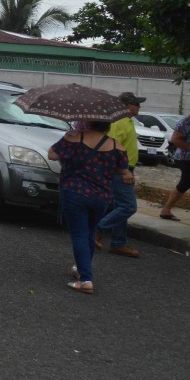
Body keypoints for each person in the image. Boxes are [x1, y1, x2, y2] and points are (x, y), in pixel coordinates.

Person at [48, 121, 130, 294]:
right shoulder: (117, 145)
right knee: (90, 232)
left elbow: (52, 155)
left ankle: (86, 280)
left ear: (88, 123)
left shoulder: (75, 138)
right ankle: (81, 270)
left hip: (74, 192)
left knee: (79, 234)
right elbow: (123, 171)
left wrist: (68, 139)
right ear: (107, 126)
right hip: (101, 197)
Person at [95, 92, 144, 257]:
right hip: (120, 169)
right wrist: (123, 170)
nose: (139, 106)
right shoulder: (121, 121)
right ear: (127, 106)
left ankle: (118, 243)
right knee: (128, 206)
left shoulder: (126, 121)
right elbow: (112, 147)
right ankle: (98, 229)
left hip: (124, 169)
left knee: (119, 205)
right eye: (137, 104)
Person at [157, 97, 190, 224]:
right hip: (186, 158)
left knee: (184, 184)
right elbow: (176, 139)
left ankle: (166, 210)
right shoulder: (184, 123)